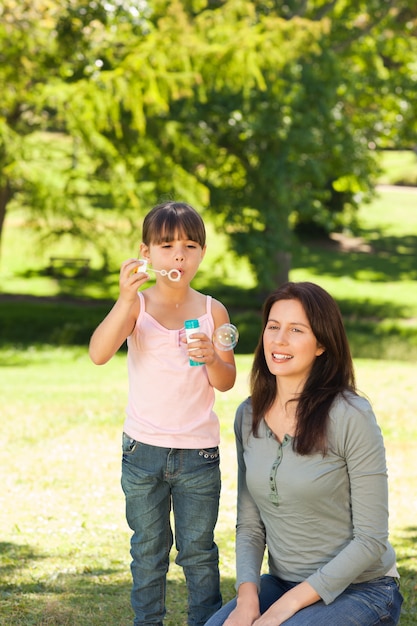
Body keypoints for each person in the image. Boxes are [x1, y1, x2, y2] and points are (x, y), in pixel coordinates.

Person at [206, 281, 403, 626]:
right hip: (281, 582)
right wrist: (248, 599)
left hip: (364, 589)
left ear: (322, 344)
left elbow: (371, 539)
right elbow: (250, 525)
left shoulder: (351, 415)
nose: (279, 340)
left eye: (296, 330)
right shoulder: (248, 415)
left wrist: (284, 609)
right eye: (273, 327)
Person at [89, 201, 237, 626]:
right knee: (148, 549)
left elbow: (225, 381)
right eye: (167, 245)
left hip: (198, 455)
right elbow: (99, 353)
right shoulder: (138, 307)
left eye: (190, 245)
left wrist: (212, 357)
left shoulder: (213, 312)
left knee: (198, 550)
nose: (179, 255)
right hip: (143, 451)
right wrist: (124, 297)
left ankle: (205, 622)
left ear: (202, 254)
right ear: (146, 253)